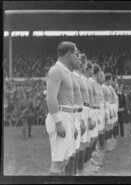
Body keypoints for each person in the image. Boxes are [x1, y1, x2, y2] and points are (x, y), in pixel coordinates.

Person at [45, 41, 81, 176]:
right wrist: (58, 122)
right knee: (58, 163)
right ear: (69, 54)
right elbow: (50, 98)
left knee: (65, 160)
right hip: (61, 116)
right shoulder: (56, 71)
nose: (77, 57)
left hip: (67, 116)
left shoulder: (65, 72)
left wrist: (73, 123)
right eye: (76, 54)